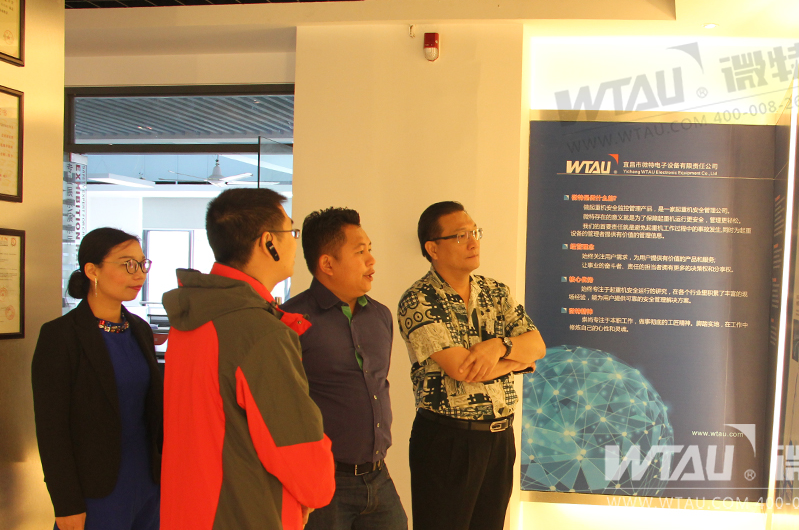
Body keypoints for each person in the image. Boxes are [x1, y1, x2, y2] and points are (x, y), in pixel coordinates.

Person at [160, 188, 335, 530]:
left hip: (189, 510)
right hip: (246, 512)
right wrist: (313, 490)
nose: (295, 244)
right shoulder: (259, 333)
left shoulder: (191, 318)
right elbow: (300, 454)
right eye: (291, 232)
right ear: (269, 242)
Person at [397, 201, 546, 530]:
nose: (473, 242)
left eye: (475, 232)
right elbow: (462, 371)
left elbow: (537, 346)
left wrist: (499, 346)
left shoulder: (496, 292)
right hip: (447, 441)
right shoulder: (419, 299)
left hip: (500, 438)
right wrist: (517, 362)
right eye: (460, 235)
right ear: (433, 249)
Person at [281, 208, 407, 530]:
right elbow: (283, 409)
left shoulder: (380, 315)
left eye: (370, 249)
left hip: (378, 475)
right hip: (325, 481)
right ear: (327, 264)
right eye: (360, 251)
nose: (371, 260)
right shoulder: (291, 320)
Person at [32, 227, 163, 530]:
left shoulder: (140, 330)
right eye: (127, 264)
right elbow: (52, 430)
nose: (139, 274)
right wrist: (66, 503)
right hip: (96, 491)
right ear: (93, 270)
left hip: (148, 483)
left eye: (142, 263)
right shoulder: (60, 336)